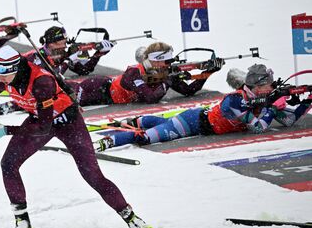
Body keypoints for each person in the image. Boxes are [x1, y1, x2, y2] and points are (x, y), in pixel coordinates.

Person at [0, 44, 149, 228]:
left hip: (68, 123)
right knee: (8, 164)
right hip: (39, 120)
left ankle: (130, 217)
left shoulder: (41, 81)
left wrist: (5, 130)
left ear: (15, 68)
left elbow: (44, 127)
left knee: (92, 175)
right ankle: (22, 226)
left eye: (3, 72)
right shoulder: (4, 76)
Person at [94, 64, 311, 151]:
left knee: (163, 125)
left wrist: (307, 101)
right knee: (145, 139)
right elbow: (257, 127)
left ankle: (138, 121)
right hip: (191, 122)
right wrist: (271, 109)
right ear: (258, 85)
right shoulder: (235, 100)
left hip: (196, 124)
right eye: (269, 85)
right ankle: (107, 141)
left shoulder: (262, 99)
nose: (272, 88)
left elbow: (289, 120)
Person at [67, 41, 223, 107]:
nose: (169, 65)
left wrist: (208, 72)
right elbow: (150, 97)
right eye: (166, 62)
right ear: (156, 61)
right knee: (61, 96)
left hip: (104, 94)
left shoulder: (163, 73)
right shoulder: (133, 73)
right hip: (94, 90)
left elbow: (189, 90)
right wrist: (167, 81)